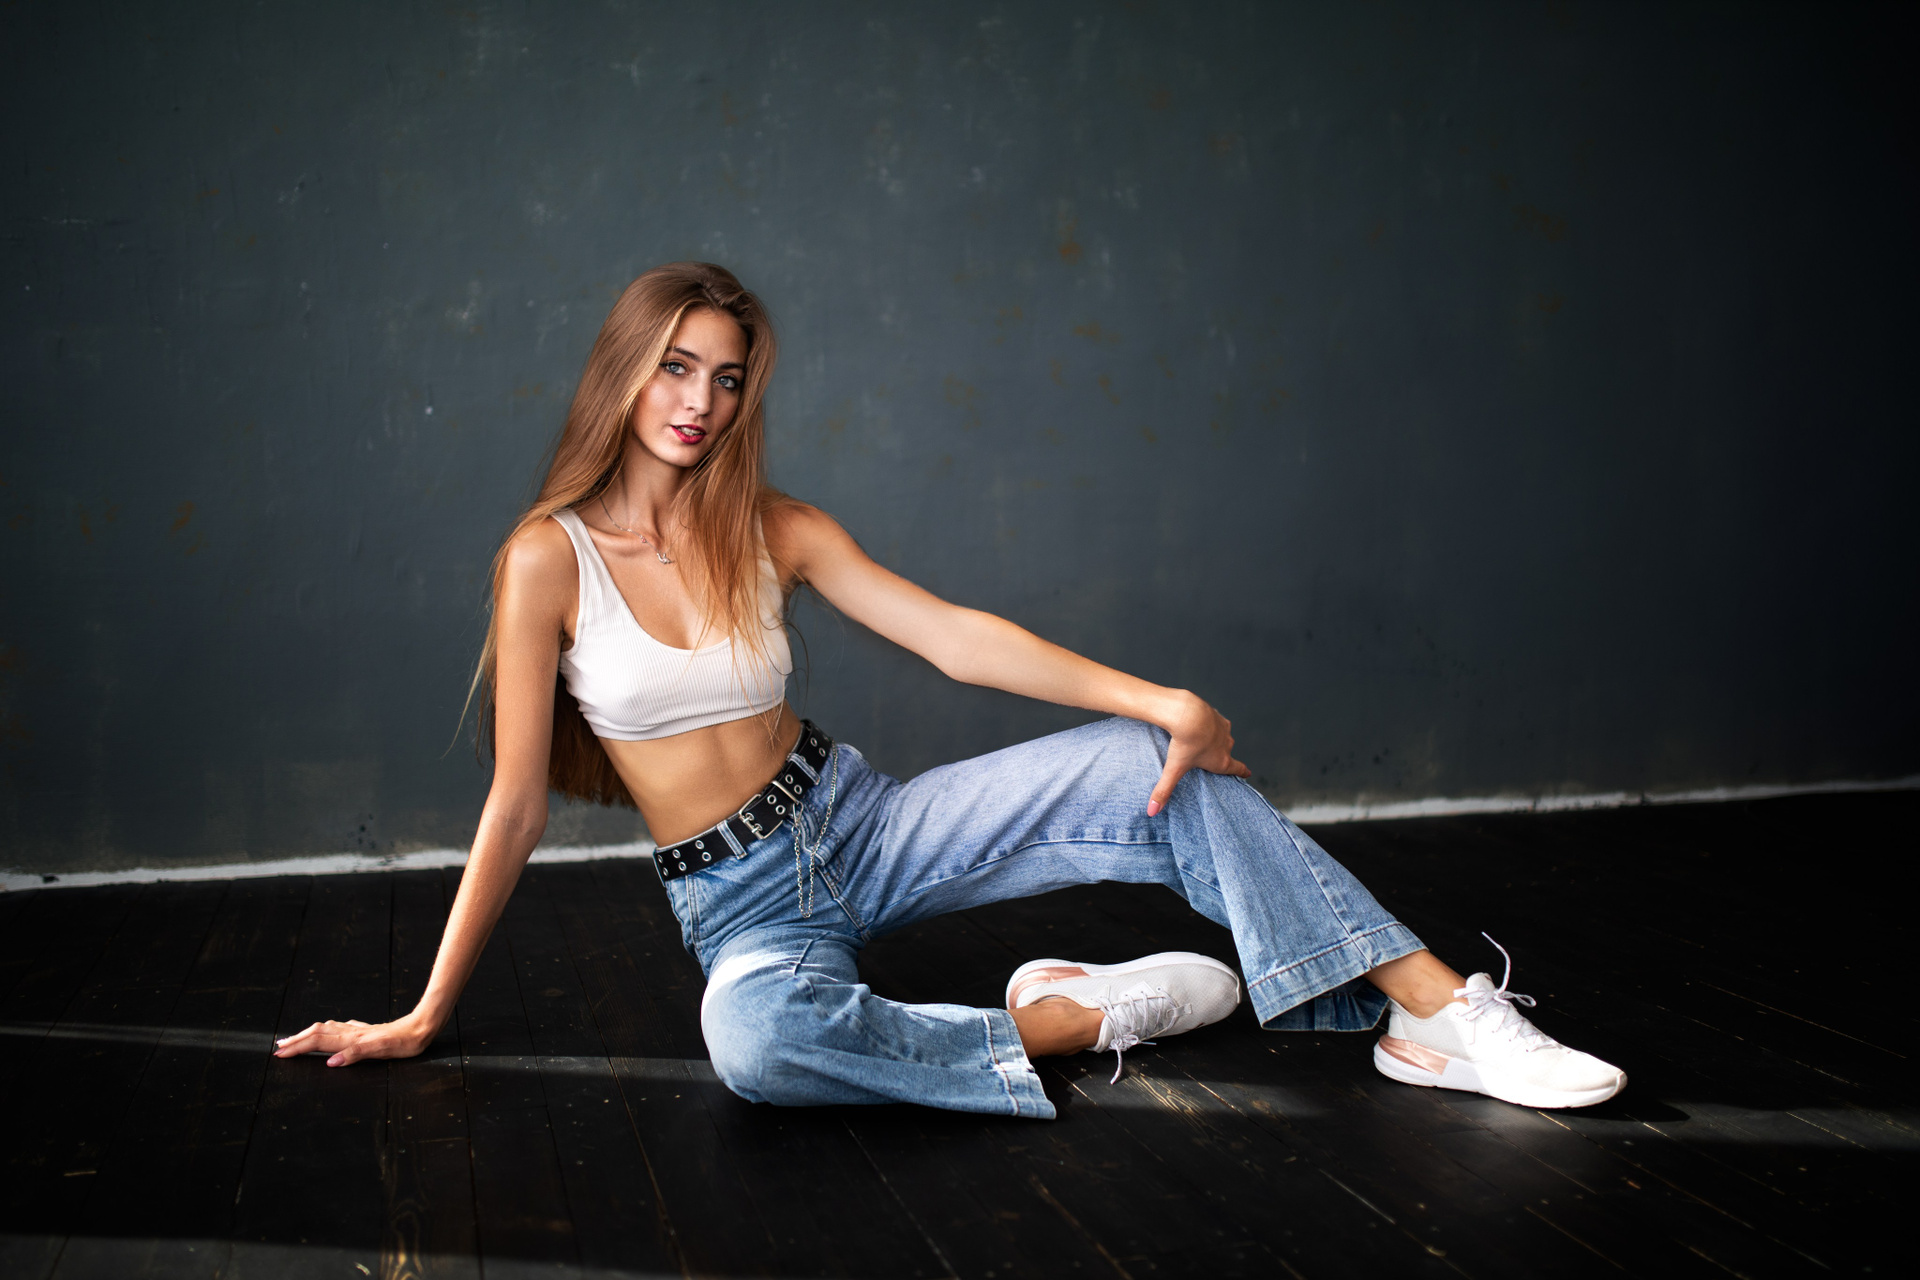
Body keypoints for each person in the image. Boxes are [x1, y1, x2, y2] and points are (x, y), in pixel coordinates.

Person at [273, 263, 1625, 1116]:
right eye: (675, 367)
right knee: (756, 1047)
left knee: (1150, 764)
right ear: (623, 371)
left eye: (726, 380)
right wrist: (426, 1014)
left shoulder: (776, 528)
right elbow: (514, 804)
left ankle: (1436, 1014)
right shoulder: (545, 560)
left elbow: (956, 639)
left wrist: (1160, 700)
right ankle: (1069, 1016)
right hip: (737, 901)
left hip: (860, 825)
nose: (699, 401)